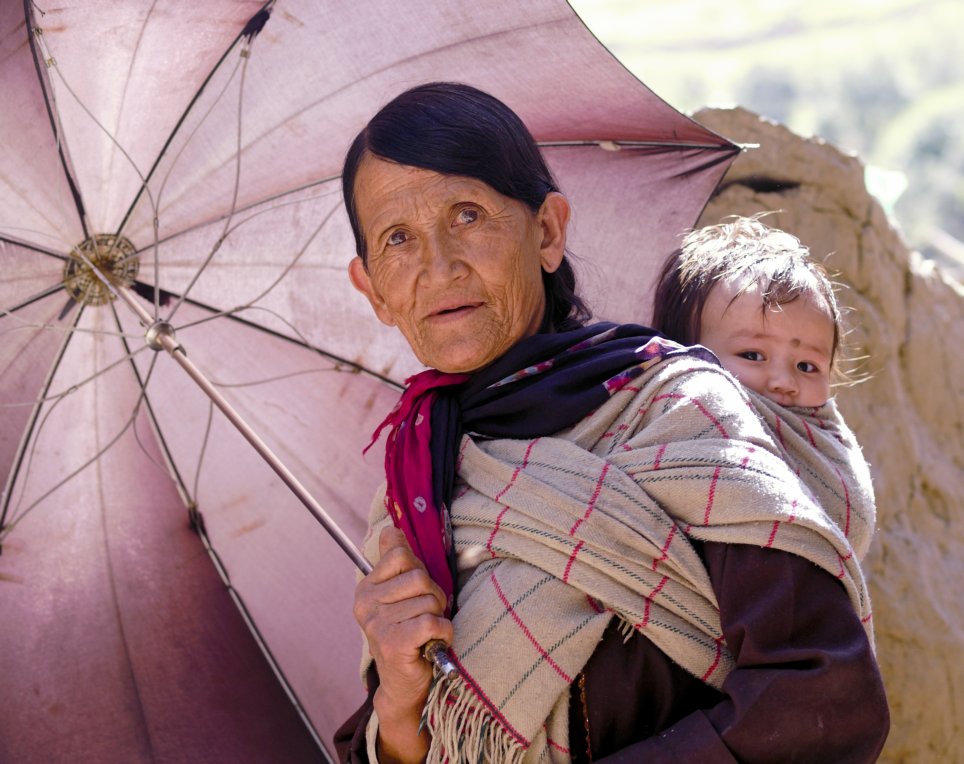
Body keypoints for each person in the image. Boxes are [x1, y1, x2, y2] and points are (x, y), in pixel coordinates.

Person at [334, 82, 889, 763]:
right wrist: (396, 698)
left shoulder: (672, 411)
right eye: (399, 239)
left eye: (468, 215)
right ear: (374, 290)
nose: (440, 265)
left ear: (547, 231)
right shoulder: (413, 499)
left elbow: (822, 695)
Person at [651, 216, 877, 562]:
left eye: (807, 366)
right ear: (685, 353)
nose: (784, 382)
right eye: (753, 355)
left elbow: (848, 518)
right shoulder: (672, 414)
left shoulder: (825, 451)